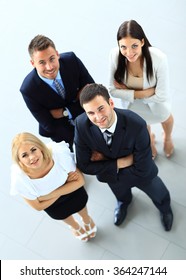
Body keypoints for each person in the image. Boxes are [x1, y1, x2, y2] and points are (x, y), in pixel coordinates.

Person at [74, 83, 173, 231]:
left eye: (101, 108)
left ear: (111, 103)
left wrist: (106, 165)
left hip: (141, 175)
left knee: (160, 194)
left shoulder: (136, 124)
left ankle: (165, 209)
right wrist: (120, 163)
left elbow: (144, 167)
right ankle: (124, 203)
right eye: (91, 113)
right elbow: (84, 165)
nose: (98, 117)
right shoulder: (81, 124)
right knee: (121, 196)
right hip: (112, 177)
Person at [10, 132, 97, 241]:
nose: (32, 157)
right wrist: (67, 184)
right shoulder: (20, 180)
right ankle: (75, 226)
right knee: (63, 215)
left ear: (40, 148)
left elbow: (80, 181)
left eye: (33, 150)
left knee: (81, 205)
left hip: (72, 194)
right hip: (55, 205)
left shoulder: (58, 154)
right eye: (24, 155)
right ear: (19, 160)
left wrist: (45, 197)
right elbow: (38, 207)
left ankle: (86, 220)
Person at [108, 20, 174, 159]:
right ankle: (150, 139)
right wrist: (144, 93)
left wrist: (128, 91)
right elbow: (112, 90)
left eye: (134, 46)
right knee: (143, 125)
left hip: (156, 103)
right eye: (123, 47)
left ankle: (167, 138)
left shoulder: (159, 59)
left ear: (142, 42)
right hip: (132, 105)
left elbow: (162, 96)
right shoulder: (114, 56)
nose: (129, 52)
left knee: (166, 118)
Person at [20, 35, 95, 150]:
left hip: (90, 118)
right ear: (33, 63)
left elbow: (93, 94)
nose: (49, 67)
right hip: (62, 133)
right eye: (42, 62)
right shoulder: (28, 89)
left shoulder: (71, 60)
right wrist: (81, 146)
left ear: (57, 54)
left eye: (52, 59)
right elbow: (49, 125)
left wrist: (64, 112)